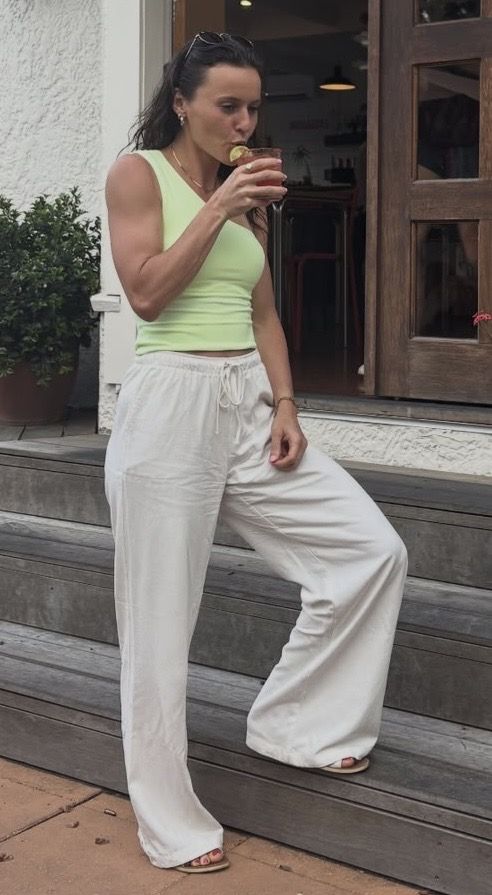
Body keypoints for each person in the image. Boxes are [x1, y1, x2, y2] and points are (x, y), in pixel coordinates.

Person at [104, 31, 408, 876]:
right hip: (170, 405)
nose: (243, 121)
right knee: (158, 624)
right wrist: (218, 206)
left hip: (246, 401)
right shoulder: (139, 176)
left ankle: (295, 724)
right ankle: (168, 819)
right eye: (227, 106)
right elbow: (147, 293)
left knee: (370, 552)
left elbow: (262, 311)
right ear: (182, 104)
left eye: (253, 108)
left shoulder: (244, 196)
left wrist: (287, 402)